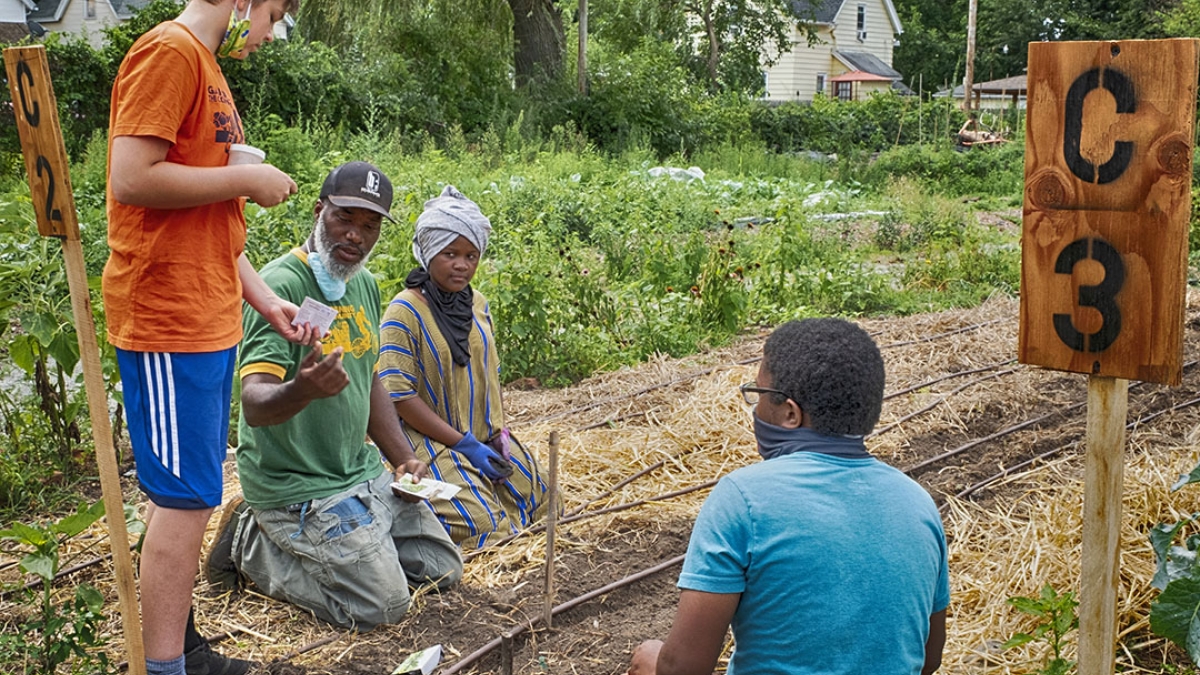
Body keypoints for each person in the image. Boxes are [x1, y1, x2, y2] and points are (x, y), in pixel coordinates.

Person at [103, 2, 308, 674]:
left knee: (191, 489)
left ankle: (181, 644)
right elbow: (132, 175)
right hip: (166, 315)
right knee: (185, 497)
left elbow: (208, 216)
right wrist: (247, 177)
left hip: (208, 309)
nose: (271, 31)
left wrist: (267, 299)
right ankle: (163, 666)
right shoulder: (170, 52)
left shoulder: (209, 69)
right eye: (274, 11)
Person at [204, 162, 463, 631]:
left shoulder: (361, 284)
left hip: (358, 475)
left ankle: (360, 544)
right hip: (299, 488)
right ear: (320, 210)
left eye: (369, 226)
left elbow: (370, 381)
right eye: (345, 218)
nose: (355, 236)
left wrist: (403, 458)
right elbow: (255, 406)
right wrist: (302, 389)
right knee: (382, 608)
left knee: (442, 570)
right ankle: (251, 542)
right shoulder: (281, 286)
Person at [625, 318, 949, 675]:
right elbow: (928, 659)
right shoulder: (919, 504)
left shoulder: (743, 499)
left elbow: (684, 668)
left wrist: (654, 660)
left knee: (648, 659)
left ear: (791, 413)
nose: (755, 408)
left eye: (759, 394)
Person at [378, 186, 557, 550]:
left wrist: (498, 434)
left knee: (546, 503)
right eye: (450, 254)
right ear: (428, 253)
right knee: (485, 527)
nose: (462, 264)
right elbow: (398, 396)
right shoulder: (404, 312)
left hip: (482, 437)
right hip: (428, 442)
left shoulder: (477, 304)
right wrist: (462, 443)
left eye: (471, 255)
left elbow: (489, 375)